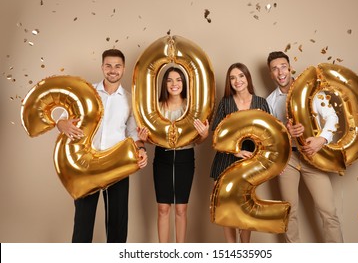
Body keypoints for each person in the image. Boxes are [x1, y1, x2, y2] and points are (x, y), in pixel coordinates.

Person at [56, 49, 148, 243]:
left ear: (123, 69)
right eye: (108, 65)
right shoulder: (88, 92)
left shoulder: (130, 99)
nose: (112, 70)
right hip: (87, 165)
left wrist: (141, 149)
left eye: (117, 66)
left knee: (117, 222)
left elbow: (132, 133)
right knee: (83, 220)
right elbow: (65, 117)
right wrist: (60, 123)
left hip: (117, 165)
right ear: (102, 67)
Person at [265, 51, 343, 243]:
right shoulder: (270, 101)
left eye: (283, 66)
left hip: (313, 156)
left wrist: (321, 140)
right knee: (289, 213)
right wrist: (285, 133)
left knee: (328, 212)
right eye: (274, 69)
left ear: (290, 67)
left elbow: (333, 117)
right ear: (270, 74)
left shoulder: (311, 90)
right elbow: (270, 137)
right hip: (288, 160)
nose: (280, 72)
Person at [139, 66, 209, 243]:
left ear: (184, 83)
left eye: (178, 80)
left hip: (185, 159)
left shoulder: (192, 108)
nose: (174, 84)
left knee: (181, 209)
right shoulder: (156, 108)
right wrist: (144, 139)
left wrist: (204, 135)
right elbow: (154, 139)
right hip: (162, 158)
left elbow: (196, 140)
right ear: (164, 83)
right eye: (169, 80)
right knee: (163, 208)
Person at [209, 62, 270, 243]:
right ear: (229, 82)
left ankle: (245, 249)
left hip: (251, 164)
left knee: (245, 208)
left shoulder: (261, 102)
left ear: (247, 78)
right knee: (226, 209)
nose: (237, 81)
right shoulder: (225, 103)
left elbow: (270, 136)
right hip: (225, 162)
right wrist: (236, 151)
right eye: (232, 78)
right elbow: (216, 134)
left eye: (241, 76)